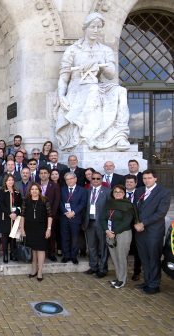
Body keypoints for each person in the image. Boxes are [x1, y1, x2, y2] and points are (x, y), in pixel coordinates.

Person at [55, 12, 130, 151]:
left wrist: (102, 64)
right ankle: (88, 136)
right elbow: (64, 77)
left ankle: (120, 136)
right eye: (93, 27)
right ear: (85, 28)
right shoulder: (72, 50)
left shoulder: (105, 50)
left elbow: (111, 74)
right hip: (78, 87)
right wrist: (61, 96)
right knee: (92, 89)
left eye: (99, 27)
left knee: (121, 91)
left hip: (97, 84)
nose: (96, 30)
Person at [134, 170, 171, 294]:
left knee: (153, 258)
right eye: (144, 178)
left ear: (155, 178)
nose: (146, 180)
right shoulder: (139, 191)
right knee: (144, 258)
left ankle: (154, 285)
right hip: (140, 231)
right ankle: (147, 281)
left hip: (153, 232)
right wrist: (136, 223)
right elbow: (135, 210)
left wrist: (143, 223)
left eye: (149, 178)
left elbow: (160, 213)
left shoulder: (164, 192)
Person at [101, 185, 138, 289]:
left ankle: (122, 280)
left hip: (123, 233)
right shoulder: (109, 203)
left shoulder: (128, 205)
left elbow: (126, 221)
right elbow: (102, 218)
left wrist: (114, 232)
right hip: (109, 233)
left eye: (120, 192)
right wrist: (107, 230)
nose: (117, 193)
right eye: (115, 192)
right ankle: (118, 277)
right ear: (112, 193)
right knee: (114, 257)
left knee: (121, 257)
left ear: (124, 193)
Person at [21, 184, 52, 281]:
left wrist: (49, 229)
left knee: (41, 249)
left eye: (36, 189)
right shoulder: (26, 201)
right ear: (29, 191)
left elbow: (49, 215)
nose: (34, 191)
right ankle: (34, 269)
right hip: (30, 228)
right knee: (34, 250)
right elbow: (22, 216)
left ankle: (40, 271)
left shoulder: (45, 200)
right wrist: (22, 229)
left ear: (39, 190)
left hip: (42, 228)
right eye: (32, 189)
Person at [83, 172, 111, 277]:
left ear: (101, 179)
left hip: (101, 223)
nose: (95, 180)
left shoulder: (108, 192)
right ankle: (93, 266)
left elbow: (110, 209)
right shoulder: (87, 191)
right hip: (89, 222)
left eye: (98, 178)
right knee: (91, 246)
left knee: (103, 246)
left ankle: (103, 269)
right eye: (93, 178)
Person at [60, 172, 87, 264]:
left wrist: (74, 212)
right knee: (65, 237)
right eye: (67, 179)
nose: (69, 181)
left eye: (71, 178)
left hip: (76, 217)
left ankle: (73, 256)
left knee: (75, 238)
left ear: (75, 179)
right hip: (64, 217)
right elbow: (60, 202)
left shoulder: (82, 190)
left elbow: (83, 203)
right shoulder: (62, 189)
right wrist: (65, 212)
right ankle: (66, 255)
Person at [0, 174, 23, 263]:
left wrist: (16, 213)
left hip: (15, 218)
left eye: (12, 180)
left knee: (13, 237)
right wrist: (10, 214)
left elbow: (20, 205)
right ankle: (5, 255)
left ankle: (13, 254)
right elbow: (1, 205)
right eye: (9, 180)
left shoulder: (17, 192)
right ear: (5, 181)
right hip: (5, 217)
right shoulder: (2, 192)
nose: (10, 182)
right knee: (5, 237)